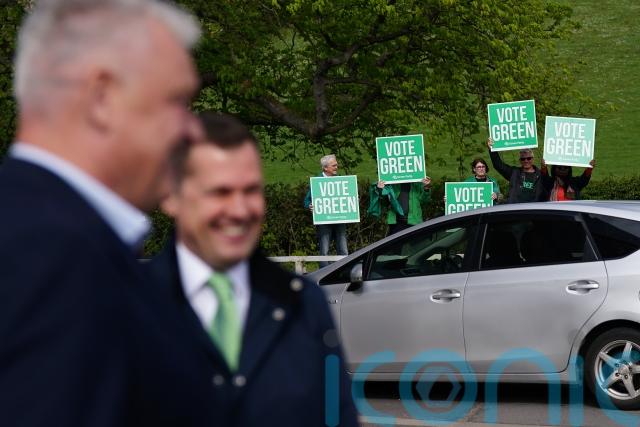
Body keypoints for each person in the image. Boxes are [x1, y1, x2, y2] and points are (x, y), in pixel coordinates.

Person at [0, 1, 219, 426]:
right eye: (177, 101)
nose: (193, 130)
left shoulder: (48, 238)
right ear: (101, 98)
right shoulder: (50, 261)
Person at [147, 113, 358, 427]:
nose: (239, 210)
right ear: (170, 196)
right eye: (219, 192)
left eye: (251, 190)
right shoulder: (127, 303)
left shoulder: (304, 303)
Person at [304, 154, 349, 267]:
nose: (336, 167)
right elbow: (307, 200)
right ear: (325, 168)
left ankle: (344, 271)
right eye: (334, 165)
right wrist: (309, 205)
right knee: (324, 250)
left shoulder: (341, 180)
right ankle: (324, 273)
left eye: (336, 165)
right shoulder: (317, 182)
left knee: (343, 249)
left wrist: (352, 199)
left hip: (340, 220)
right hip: (324, 221)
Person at [487, 138, 547, 203]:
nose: (526, 161)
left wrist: (545, 169)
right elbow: (498, 165)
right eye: (523, 159)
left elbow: (549, 186)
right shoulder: (514, 173)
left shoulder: (540, 175)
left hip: (534, 208)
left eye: (529, 158)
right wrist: (491, 149)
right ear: (520, 161)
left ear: (533, 159)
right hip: (516, 207)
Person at [368, 177, 432, 235]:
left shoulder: (418, 182)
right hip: (397, 223)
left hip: (414, 221)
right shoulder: (392, 182)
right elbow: (385, 202)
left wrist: (426, 188)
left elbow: (425, 201)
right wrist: (381, 189)